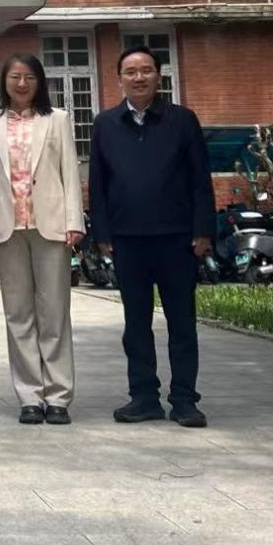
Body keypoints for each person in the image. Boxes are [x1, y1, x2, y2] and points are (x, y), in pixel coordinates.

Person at [89, 43, 213, 428]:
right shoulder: (105, 124)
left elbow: (200, 180)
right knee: (136, 324)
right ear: (119, 79)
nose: (138, 77)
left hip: (177, 238)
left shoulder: (182, 121)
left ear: (159, 76)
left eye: (146, 70)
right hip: (127, 239)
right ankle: (143, 397)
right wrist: (102, 232)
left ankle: (185, 400)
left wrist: (203, 230)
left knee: (181, 322)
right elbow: (98, 183)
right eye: (131, 72)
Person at [0, 53, 84, 425]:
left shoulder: (57, 120)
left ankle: (58, 396)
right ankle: (29, 397)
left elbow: (70, 173)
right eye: (15, 77)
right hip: (9, 230)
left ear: (39, 82)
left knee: (54, 313)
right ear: (4, 81)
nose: (21, 84)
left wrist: (75, 221)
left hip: (51, 226)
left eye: (29, 77)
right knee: (18, 314)